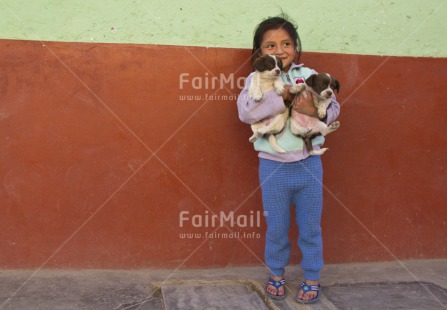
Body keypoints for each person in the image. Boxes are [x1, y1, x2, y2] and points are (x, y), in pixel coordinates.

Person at [236, 14, 340, 304]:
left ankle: (312, 277)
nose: (279, 50)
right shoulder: (256, 79)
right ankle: (277, 273)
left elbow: (334, 109)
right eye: (270, 45)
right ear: (260, 52)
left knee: (310, 227)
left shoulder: (308, 75)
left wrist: (312, 111)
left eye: (286, 43)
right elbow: (245, 113)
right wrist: (282, 100)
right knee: (277, 227)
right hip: (273, 169)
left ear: (295, 47)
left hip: (309, 166)